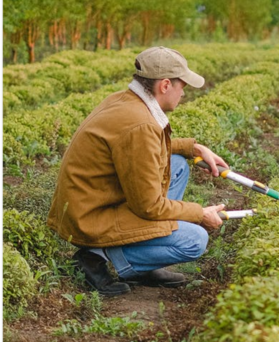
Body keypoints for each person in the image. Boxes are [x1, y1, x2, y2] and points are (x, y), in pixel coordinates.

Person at [48, 46, 228, 296]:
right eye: (182, 86)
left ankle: (141, 259)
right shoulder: (140, 124)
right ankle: (96, 257)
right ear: (165, 85)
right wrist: (198, 213)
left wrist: (193, 147)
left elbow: (142, 148)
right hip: (91, 218)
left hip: (92, 202)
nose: (183, 94)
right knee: (195, 240)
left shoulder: (125, 101)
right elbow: (149, 206)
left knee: (175, 165)